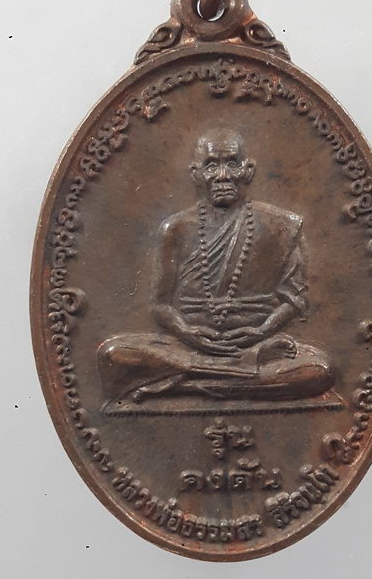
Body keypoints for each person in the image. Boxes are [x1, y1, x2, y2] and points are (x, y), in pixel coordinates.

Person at [98, 128, 334, 403]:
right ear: (196, 173)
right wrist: (186, 332)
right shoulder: (175, 229)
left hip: (259, 346)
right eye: (211, 166)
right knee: (113, 354)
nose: (222, 175)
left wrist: (261, 332)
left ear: (248, 171)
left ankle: (181, 385)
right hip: (186, 348)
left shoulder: (281, 226)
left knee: (320, 370)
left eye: (232, 164)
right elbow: (160, 306)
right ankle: (224, 376)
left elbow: (295, 301)